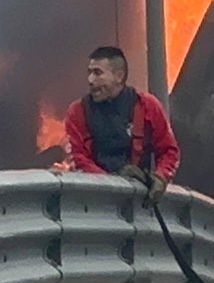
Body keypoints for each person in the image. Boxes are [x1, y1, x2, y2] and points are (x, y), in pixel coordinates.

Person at [63, 45, 180, 203]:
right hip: (94, 202)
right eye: (89, 73)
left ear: (119, 76)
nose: (90, 80)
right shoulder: (78, 112)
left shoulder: (147, 106)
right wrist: (111, 183)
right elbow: (77, 158)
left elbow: (169, 151)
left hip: (138, 202)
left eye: (97, 73)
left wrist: (160, 178)